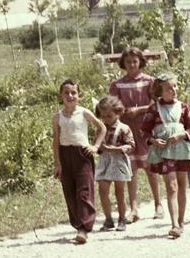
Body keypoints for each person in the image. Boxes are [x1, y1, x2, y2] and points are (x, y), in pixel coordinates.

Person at [51, 79, 105, 244]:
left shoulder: (84, 113)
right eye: (66, 93)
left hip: (82, 154)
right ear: (60, 95)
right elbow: (56, 141)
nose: (70, 96)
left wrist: (95, 146)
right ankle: (77, 224)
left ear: (79, 95)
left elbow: (101, 128)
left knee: (84, 191)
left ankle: (84, 228)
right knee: (70, 191)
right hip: (65, 154)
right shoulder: (57, 117)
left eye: (73, 92)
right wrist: (58, 164)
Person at [108, 47, 159, 221]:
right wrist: (122, 111)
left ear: (140, 62)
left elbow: (157, 105)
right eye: (128, 62)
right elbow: (111, 106)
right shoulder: (117, 84)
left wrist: (139, 110)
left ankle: (158, 204)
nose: (131, 65)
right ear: (123, 63)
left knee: (150, 168)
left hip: (145, 128)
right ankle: (134, 208)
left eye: (135, 61)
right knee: (131, 170)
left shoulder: (148, 81)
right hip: (126, 130)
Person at [145, 74, 190, 239]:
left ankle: (181, 222)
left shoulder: (183, 107)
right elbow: (144, 130)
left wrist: (181, 135)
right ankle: (174, 223)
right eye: (169, 88)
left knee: (182, 185)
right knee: (171, 186)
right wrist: (153, 140)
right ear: (160, 91)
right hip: (165, 151)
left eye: (175, 86)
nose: (174, 90)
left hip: (182, 150)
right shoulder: (154, 109)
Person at [93, 95, 134, 233]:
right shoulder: (100, 128)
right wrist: (97, 148)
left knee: (119, 192)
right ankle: (108, 219)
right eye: (103, 116)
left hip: (119, 162)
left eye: (109, 115)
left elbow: (130, 145)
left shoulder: (123, 128)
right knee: (103, 190)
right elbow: (96, 144)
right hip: (105, 161)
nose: (106, 119)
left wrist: (114, 149)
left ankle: (122, 218)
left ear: (117, 112)